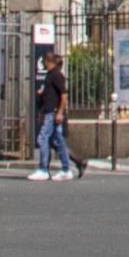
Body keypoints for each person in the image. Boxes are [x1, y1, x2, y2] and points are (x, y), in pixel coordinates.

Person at [30, 47, 79, 181]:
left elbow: (63, 95)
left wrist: (60, 113)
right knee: (58, 141)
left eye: (44, 61)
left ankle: (44, 169)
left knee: (42, 138)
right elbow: (49, 96)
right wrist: (42, 111)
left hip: (53, 113)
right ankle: (65, 169)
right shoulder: (51, 74)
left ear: (47, 60)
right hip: (50, 112)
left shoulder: (56, 75)